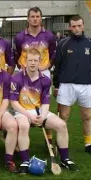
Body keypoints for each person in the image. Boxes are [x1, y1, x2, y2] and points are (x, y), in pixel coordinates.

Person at [9, 48, 78, 174]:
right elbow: (14, 103)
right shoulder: (17, 78)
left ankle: (65, 159)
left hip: (40, 111)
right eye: (30, 60)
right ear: (25, 61)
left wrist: (43, 116)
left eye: (35, 60)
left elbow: (46, 103)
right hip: (22, 111)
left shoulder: (46, 80)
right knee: (23, 126)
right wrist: (28, 114)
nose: (33, 63)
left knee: (62, 125)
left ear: (40, 62)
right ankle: (25, 161)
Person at [53, 15, 91, 156]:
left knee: (87, 116)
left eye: (79, 25)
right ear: (69, 27)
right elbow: (57, 67)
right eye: (74, 26)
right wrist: (56, 86)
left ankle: (88, 143)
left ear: (83, 26)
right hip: (66, 85)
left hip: (86, 85)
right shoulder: (63, 44)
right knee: (63, 116)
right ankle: (61, 143)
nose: (76, 28)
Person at [13, 7, 56, 143]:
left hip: (43, 73)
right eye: (32, 16)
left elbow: (54, 53)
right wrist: (22, 68)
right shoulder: (20, 37)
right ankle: (22, 131)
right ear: (28, 18)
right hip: (25, 74)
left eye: (37, 16)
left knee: (44, 102)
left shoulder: (49, 35)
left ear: (41, 18)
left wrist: (47, 66)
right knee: (22, 102)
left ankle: (48, 138)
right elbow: (17, 55)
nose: (35, 19)